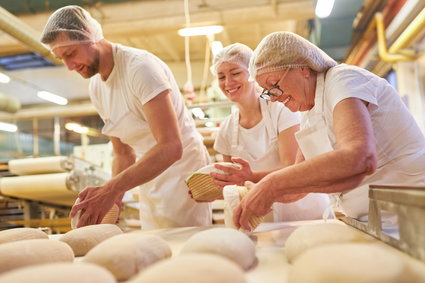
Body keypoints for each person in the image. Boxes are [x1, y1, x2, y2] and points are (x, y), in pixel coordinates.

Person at [232, 31, 425, 231]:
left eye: (274, 85)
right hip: (374, 221)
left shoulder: (342, 80)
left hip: (412, 215)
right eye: (267, 92)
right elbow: (298, 188)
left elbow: (359, 157)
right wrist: (257, 190)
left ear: (303, 67)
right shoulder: (308, 113)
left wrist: (272, 185)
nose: (273, 98)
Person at [40, 5, 211, 229]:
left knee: (185, 246)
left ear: (91, 38)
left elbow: (171, 146)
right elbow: (123, 152)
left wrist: (112, 189)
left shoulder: (140, 69)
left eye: (71, 54)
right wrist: (113, 199)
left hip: (182, 172)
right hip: (148, 173)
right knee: (156, 242)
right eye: (61, 58)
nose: (69, 66)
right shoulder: (96, 87)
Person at [209, 43, 330, 222]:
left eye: (235, 73)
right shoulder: (226, 129)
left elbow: (292, 167)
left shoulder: (282, 108)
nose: (228, 83)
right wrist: (207, 193)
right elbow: (234, 184)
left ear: (252, 74)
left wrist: (250, 177)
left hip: (303, 212)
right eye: (221, 77)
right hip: (263, 217)